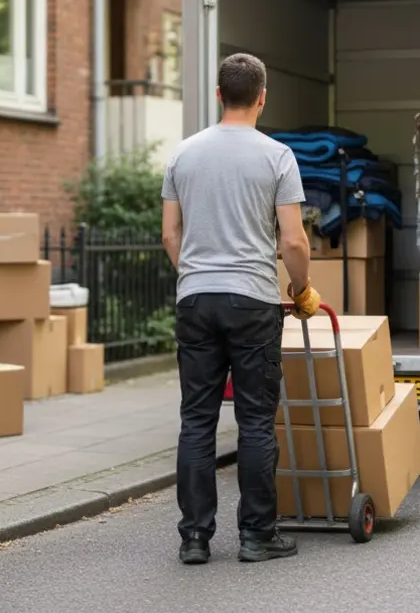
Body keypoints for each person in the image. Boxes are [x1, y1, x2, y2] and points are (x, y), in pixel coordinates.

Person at [161, 52, 321, 566]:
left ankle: (194, 538)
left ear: (218, 95)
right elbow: (293, 240)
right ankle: (256, 536)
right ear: (262, 98)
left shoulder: (183, 154)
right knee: (254, 420)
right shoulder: (277, 156)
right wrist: (301, 288)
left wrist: (194, 275)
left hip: (195, 299)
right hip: (252, 300)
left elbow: (170, 235)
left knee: (196, 420)